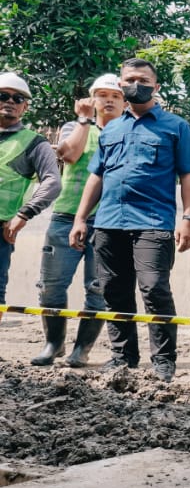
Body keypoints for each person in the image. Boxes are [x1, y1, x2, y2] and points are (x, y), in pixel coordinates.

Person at [70, 58, 190, 381]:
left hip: (153, 222)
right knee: (114, 290)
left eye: (143, 80)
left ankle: (163, 360)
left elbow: (188, 175)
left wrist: (188, 217)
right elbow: (96, 177)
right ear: (121, 84)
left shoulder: (176, 127)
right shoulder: (111, 128)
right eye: (129, 79)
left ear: (156, 87)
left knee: (154, 289)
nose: (136, 85)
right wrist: (80, 218)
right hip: (109, 221)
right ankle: (123, 356)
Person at [32, 74, 123, 367]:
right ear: (91, 99)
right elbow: (68, 156)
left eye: (116, 96)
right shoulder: (74, 127)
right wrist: (84, 121)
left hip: (109, 222)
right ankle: (53, 344)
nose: (109, 100)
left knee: (97, 288)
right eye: (102, 94)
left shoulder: (127, 131)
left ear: (124, 102)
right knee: (50, 285)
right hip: (66, 217)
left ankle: (81, 349)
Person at [0, 72, 61, 306]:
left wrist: (24, 214)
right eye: (3, 95)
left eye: (18, 99)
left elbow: (53, 182)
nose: (10, 101)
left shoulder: (34, 143)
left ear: (25, 107)